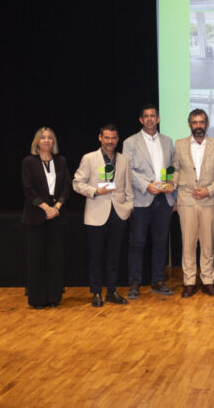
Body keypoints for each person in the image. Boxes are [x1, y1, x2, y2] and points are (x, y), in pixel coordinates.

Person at [72, 124, 134, 307]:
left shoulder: (124, 160)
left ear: (118, 139)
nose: (110, 141)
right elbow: (77, 183)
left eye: (113, 138)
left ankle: (112, 291)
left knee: (114, 256)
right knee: (96, 256)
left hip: (119, 213)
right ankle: (97, 292)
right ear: (100, 138)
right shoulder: (89, 158)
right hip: (96, 213)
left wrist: (128, 207)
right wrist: (95, 191)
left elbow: (128, 187)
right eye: (106, 138)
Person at [122, 105, 176, 299]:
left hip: (164, 199)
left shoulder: (168, 141)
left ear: (158, 119)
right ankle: (135, 283)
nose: (150, 119)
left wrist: (173, 191)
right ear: (141, 120)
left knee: (161, 242)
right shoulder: (130, 142)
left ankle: (158, 281)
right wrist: (147, 185)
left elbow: (172, 169)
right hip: (141, 198)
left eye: (153, 116)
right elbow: (128, 169)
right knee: (137, 242)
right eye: (146, 116)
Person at [174, 109, 214, 297]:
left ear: (207, 123)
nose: (198, 126)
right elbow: (176, 170)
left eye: (201, 122)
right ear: (190, 124)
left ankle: (207, 280)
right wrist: (173, 184)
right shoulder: (179, 145)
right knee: (188, 244)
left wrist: (209, 190)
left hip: (209, 200)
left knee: (207, 243)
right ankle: (189, 281)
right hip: (186, 200)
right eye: (194, 123)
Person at [21, 127, 71, 309]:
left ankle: (54, 297)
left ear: (54, 142)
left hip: (57, 216)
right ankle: (37, 299)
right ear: (37, 142)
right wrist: (45, 208)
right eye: (43, 138)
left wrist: (56, 207)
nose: (47, 140)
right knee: (36, 259)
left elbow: (67, 186)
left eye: (50, 137)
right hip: (36, 217)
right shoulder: (29, 162)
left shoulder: (61, 161)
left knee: (55, 258)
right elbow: (28, 189)